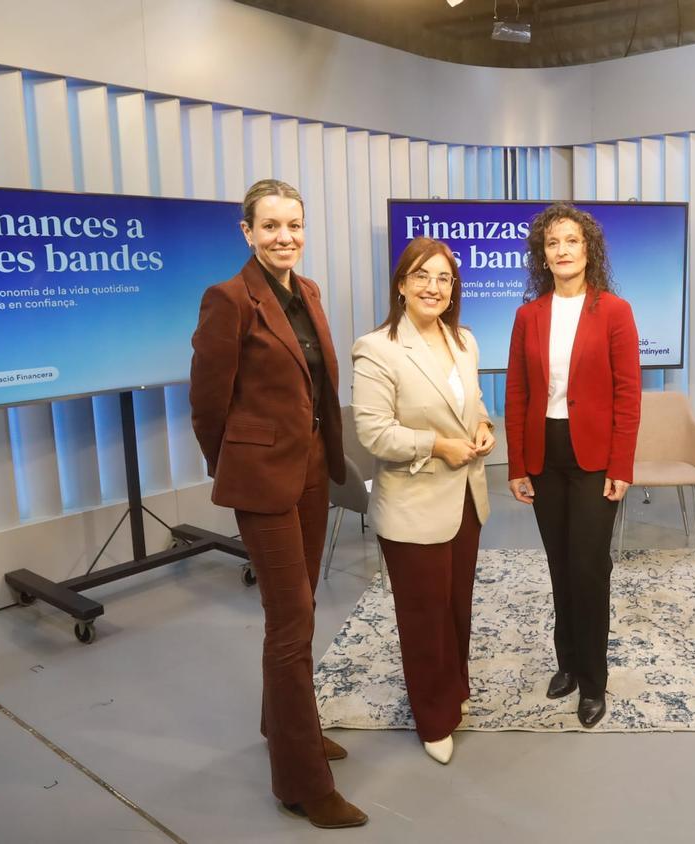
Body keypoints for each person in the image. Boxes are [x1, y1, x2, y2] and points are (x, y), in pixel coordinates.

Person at [189, 179, 367, 830]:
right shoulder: (229, 299)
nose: (284, 237)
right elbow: (208, 405)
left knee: (304, 605)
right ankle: (301, 783)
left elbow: (315, 384)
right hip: (263, 478)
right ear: (247, 232)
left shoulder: (307, 291)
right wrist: (233, 463)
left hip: (314, 469)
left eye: (293, 224)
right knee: (289, 623)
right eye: (270, 226)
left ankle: (284, 726)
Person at [351, 236, 494, 765]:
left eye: (444, 278)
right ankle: (432, 717)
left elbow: (474, 403)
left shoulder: (464, 341)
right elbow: (373, 432)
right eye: (422, 276)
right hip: (412, 504)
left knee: (456, 607)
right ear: (401, 285)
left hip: (465, 500)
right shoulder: (378, 348)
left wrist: (483, 428)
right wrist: (436, 444)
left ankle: (452, 691)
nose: (434, 287)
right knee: (423, 616)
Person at [504, 203, 641, 729]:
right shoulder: (528, 316)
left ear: (589, 250)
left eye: (571, 241)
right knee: (560, 565)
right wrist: (517, 464)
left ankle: (594, 679)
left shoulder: (614, 311)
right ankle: (566, 663)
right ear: (543, 254)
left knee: (589, 567)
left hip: (593, 459)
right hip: (544, 454)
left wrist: (621, 465)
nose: (562, 251)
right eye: (552, 243)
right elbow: (517, 393)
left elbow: (629, 395)